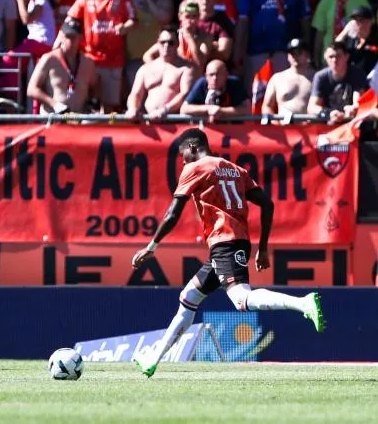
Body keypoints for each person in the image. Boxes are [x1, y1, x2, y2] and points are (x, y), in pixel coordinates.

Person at [131, 127, 324, 378]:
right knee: (189, 297)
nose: (183, 162)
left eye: (183, 156)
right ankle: (152, 359)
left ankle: (302, 303)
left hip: (225, 242)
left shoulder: (195, 168)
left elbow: (173, 212)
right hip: (233, 243)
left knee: (242, 299)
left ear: (191, 148)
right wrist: (262, 247)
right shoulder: (235, 169)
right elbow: (267, 203)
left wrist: (151, 246)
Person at [66, 0, 138, 111]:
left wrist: (126, 27)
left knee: (110, 106)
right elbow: (70, 21)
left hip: (113, 61)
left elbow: (134, 21)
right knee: (84, 102)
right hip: (88, 59)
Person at [235, 0, 312, 84]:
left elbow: (305, 20)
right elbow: (243, 22)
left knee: (286, 94)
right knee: (257, 95)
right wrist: (238, 52)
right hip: (257, 52)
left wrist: (308, 48)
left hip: (288, 52)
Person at [126, 26, 196, 121]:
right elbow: (135, 94)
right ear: (157, 43)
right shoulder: (146, 68)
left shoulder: (186, 68)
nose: (166, 45)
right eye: (163, 42)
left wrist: (165, 109)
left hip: (174, 121)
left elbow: (185, 94)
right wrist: (132, 108)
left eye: (171, 43)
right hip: (149, 120)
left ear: (177, 44)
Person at [27, 21, 94, 114]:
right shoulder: (49, 58)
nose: (70, 41)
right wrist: (55, 104)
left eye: (74, 37)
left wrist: (91, 103)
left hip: (79, 118)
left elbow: (94, 87)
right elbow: (31, 89)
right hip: (54, 117)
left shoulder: (87, 62)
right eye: (67, 36)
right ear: (61, 37)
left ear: (80, 38)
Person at [312, 0, 371, 65]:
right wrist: (316, 60)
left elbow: (369, 28)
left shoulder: (361, 0)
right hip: (329, 59)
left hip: (353, 59)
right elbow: (319, 34)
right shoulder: (325, 2)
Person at [309, 42, 367, 124]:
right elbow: (312, 107)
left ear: (347, 57)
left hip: (351, 123)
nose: (334, 60)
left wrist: (353, 108)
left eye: (338, 56)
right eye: (331, 57)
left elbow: (358, 101)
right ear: (325, 58)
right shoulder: (320, 77)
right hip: (328, 124)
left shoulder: (356, 74)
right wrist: (329, 113)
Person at [180, 59, 251, 122]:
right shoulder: (201, 84)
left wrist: (221, 111)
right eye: (211, 75)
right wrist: (208, 109)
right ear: (206, 76)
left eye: (218, 74)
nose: (215, 78)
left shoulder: (234, 83)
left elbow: (247, 108)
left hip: (232, 129)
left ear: (226, 75)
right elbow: (184, 109)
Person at [262, 39, 315, 119]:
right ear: (288, 56)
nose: (295, 56)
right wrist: (275, 123)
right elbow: (267, 106)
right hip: (283, 128)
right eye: (292, 53)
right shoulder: (277, 78)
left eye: (299, 53)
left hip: (310, 128)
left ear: (307, 55)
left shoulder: (317, 77)